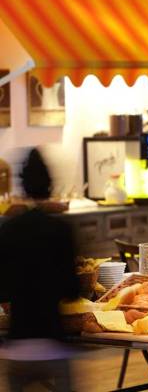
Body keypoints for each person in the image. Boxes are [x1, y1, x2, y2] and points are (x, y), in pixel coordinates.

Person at [0, 148, 80, 391]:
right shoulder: (61, 230)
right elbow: (72, 290)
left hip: (16, 346)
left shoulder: (8, 230)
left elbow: (1, 290)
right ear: (49, 185)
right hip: (53, 343)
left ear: (22, 186)